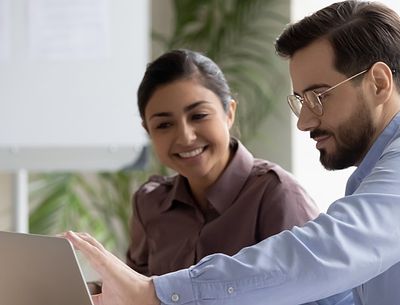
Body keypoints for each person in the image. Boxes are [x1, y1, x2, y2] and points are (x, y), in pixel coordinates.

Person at [65, 1, 400, 304]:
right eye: (301, 100)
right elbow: (338, 293)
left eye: (319, 96)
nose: (303, 121)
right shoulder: (380, 174)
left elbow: (325, 253)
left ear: (379, 83)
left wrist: (158, 294)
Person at [86, 49, 319, 293]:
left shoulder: (277, 194)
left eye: (198, 116)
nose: (185, 137)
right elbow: (135, 290)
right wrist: (84, 290)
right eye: (164, 125)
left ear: (229, 113)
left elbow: (315, 293)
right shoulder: (150, 203)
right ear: (148, 131)